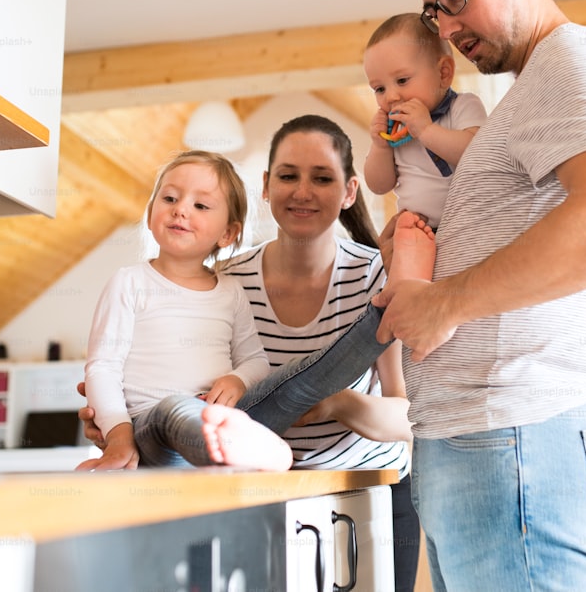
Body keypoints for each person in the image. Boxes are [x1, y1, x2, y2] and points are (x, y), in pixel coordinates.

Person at [372, 0, 586, 590]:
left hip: (520, 438)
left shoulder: (574, 58)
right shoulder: (529, 92)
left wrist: (444, 301)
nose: (446, 26)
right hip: (483, 441)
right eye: (433, 12)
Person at [80, 116, 428, 591]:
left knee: (312, 377)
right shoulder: (226, 277)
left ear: (348, 191)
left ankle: (388, 309)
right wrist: (116, 425)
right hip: (257, 496)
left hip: (363, 496)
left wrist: (335, 404)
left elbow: (415, 417)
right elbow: (128, 368)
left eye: (321, 177)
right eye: (287, 175)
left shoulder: (373, 275)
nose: (302, 191)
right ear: (266, 186)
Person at [77, 150, 291, 472]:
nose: (180, 210)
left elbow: (256, 360)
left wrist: (237, 380)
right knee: (174, 408)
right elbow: (102, 368)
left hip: (212, 424)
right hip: (148, 430)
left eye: (200, 205)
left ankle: (243, 448)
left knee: (287, 383)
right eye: (170, 199)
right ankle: (241, 449)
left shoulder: (231, 292)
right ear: (151, 214)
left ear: (227, 234)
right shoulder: (129, 282)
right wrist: (119, 435)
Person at [363, 13, 487, 228]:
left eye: (402, 80)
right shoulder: (394, 130)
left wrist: (426, 130)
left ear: (443, 73)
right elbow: (379, 186)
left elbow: (478, 155)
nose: (391, 96)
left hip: (471, 225)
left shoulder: (463, 106)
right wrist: (380, 147)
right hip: (418, 231)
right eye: (379, 89)